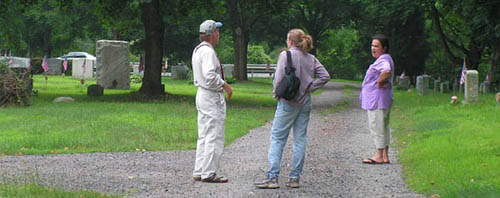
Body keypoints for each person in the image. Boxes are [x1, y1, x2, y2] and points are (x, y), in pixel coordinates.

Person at [255, 29, 330, 189]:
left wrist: (277, 94)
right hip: (305, 102)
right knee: (300, 139)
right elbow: (325, 76)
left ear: (290, 41)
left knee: (278, 138)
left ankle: (272, 177)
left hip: (288, 102)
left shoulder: (285, 55)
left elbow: (278, 78)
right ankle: (294, 178)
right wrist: (310, 87)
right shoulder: (311, 58)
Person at [191, 19, 233, 183]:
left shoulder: (198, 49)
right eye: (217, 31)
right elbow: (209, 75)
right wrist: (225, 85)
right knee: (214, 134)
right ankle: (209, 172)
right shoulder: (208, 52)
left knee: (204, 134)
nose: (219, 34)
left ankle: (200, 170)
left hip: (203, 94)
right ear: (212, 34)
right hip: (210, 95)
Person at [360, 34, 394, 165]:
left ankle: (379, 155)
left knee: (377, 126)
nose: (373, 48)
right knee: (384, 126)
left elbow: (387, 71)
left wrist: (379, 81)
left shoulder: (383, 60)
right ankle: (385, 155)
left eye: (376, 46)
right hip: (383, 99)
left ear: (384, 48)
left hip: (377, 100)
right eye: (372, 45)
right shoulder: (385, 58)